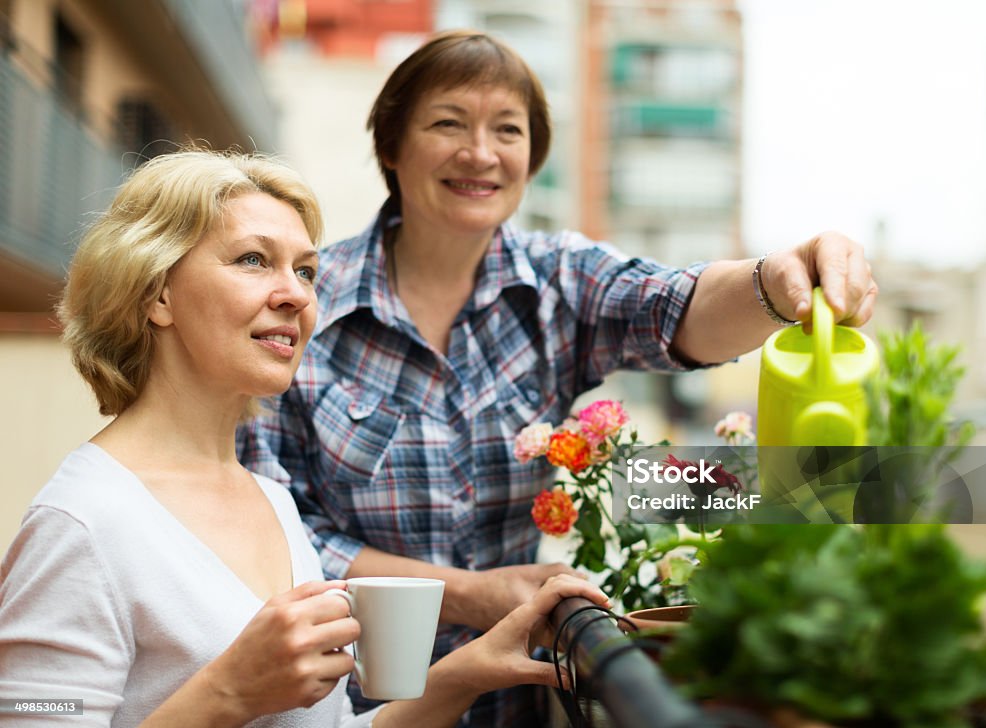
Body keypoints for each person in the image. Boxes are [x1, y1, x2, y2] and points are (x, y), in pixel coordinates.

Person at [237, 30, 879, 727]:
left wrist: (774, 285)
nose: (480, 152)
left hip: (511, 706)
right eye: (448, 122)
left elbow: (677, 308)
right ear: (392, 146)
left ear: (531, 159)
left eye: (506, 130)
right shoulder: (304, 300)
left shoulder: (558, 282)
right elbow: (275, 532)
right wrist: (471, 594)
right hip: (351, 707)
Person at [0, 148, 610, 727]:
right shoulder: (80, 524)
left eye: (307, 271)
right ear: (157, 291)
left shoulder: (273, 501)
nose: (297, 294)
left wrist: (467, 674)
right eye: (252, 260)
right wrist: (226, 692)